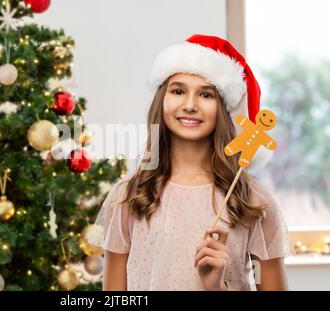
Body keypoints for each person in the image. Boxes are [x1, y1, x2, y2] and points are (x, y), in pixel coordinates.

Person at [95, 34, 292, 291]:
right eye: (178, 91)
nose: (190, 105)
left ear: (223, 108)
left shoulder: (252, 201)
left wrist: (217, 287)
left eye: (206, 95)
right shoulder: (128, 196)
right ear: (161, 101)